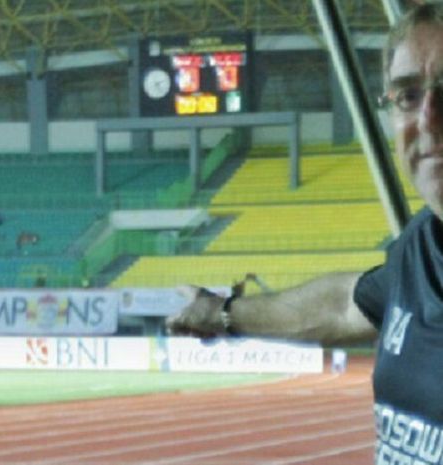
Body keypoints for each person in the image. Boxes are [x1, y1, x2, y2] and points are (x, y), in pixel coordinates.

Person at [165, 4, 443, 465]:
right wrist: (224, 313)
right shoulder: (422, 242)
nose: (429, 119)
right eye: (408, 96)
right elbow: (343, 303)